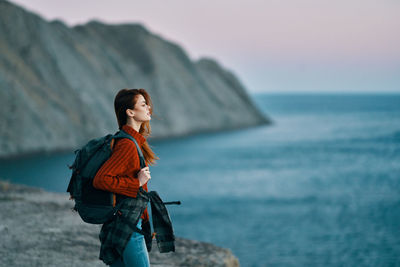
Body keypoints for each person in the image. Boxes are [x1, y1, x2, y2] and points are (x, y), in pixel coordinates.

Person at [93, 88, 159, 267]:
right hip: (128, 225)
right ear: (130, 112)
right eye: (143, 104)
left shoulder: (129, 141)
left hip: (121, 222)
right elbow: (101, 179)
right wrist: (137, 182)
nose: (148, 108)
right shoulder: (127, 145)